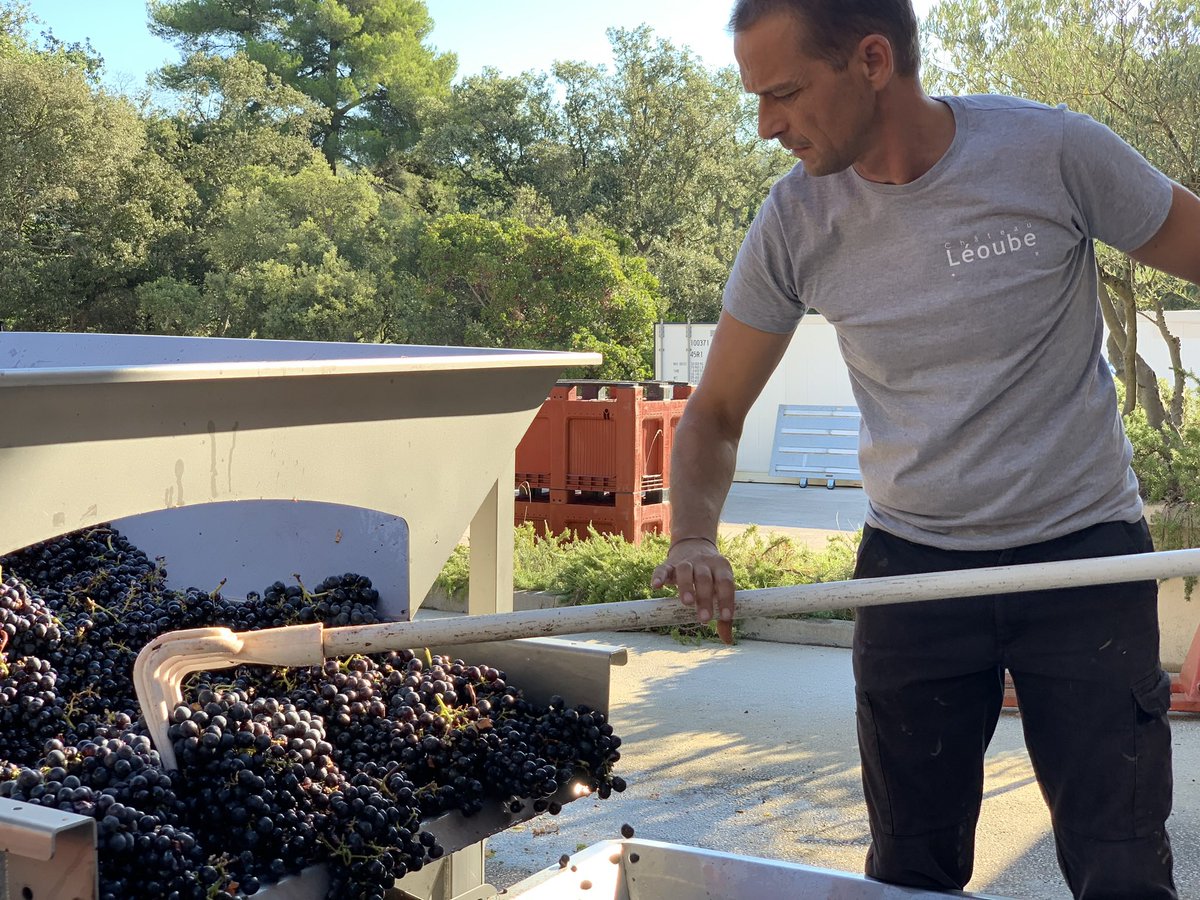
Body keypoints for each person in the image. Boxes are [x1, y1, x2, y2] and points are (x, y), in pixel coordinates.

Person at [649, 1, 1200, 897]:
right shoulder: (794, 221)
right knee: (909, 870)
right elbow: (712, 412)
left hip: (1083, 564)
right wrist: (693, 536)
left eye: (783, 92)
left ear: (872, 60)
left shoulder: (1051, 152)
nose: (765, 125)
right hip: (915, 574)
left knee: (1123, 867)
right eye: (756, 98)